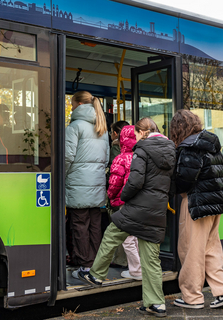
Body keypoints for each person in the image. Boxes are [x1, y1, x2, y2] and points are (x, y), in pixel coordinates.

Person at [77, 117, 176, 318]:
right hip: (156, 211)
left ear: (142, 133)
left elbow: (135, 181)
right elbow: (173, 184)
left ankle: (96, 275)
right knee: (151, 259)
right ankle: (156, 303)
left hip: (137, 208)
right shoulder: (171, 150)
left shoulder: (142, 150)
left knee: (112, 234)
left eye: (137, 133)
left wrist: (124, 197)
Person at [170, 109, 223, 309]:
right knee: (211, 249)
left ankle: (192, 297)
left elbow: (184, 180)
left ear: (178, 129)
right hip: (215, 204)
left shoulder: (190, 147)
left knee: (190, 250)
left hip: (196, 204)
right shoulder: (210, 144)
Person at [65, 91, 109, 279]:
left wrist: (61, 177)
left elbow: (67, 157)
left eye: (72, 104)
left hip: (78, 184)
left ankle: (85, 267)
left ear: (79, 104)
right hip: (97, 184)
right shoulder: (102, 127)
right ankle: (96, 266)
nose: (71, 107)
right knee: (95, 226)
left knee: (80, 226)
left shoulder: (75, 127)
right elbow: (106, 160)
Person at [107, 125, 142, 280]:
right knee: (136, 237)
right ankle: (140, 267)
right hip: (140, 202)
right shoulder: (141, 156)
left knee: (127, 239)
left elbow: (115, 183)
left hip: (124, 202)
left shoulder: (121, 158)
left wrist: (110, 196)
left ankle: (136, 270)